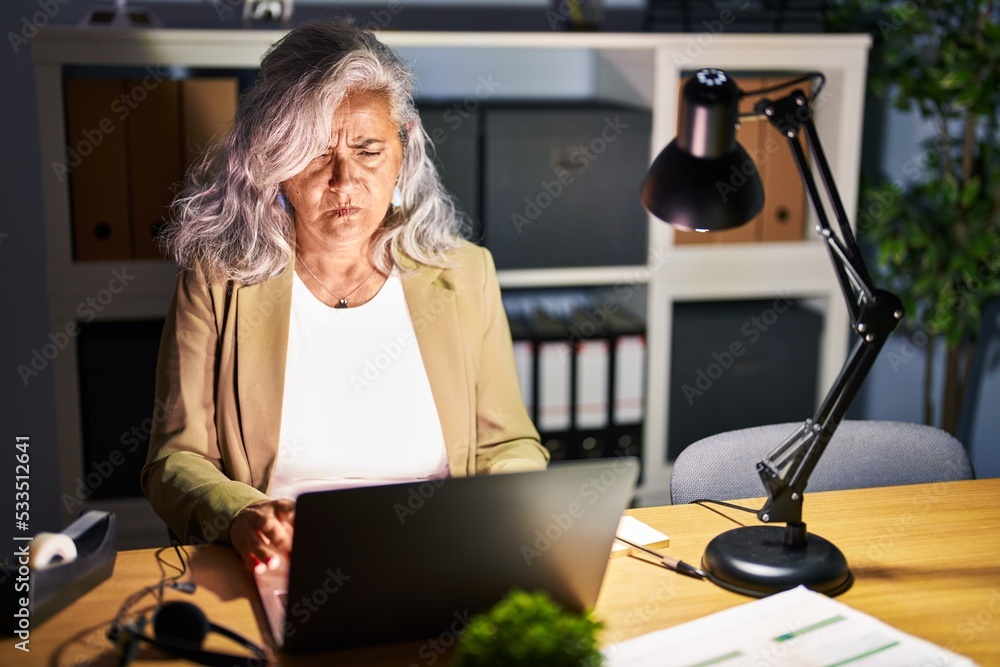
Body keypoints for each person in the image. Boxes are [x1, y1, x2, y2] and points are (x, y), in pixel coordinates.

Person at [141, 19, 548, 575]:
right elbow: (174, 459)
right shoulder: (217, 282)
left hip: (443, 554)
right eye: (313, 153)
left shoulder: (465, 274)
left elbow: (510, 444)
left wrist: (509, 506)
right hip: (285, 558)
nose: (344, 180)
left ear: (402, 148)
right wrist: (242, 514)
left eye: (368, 149)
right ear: (273, 163)